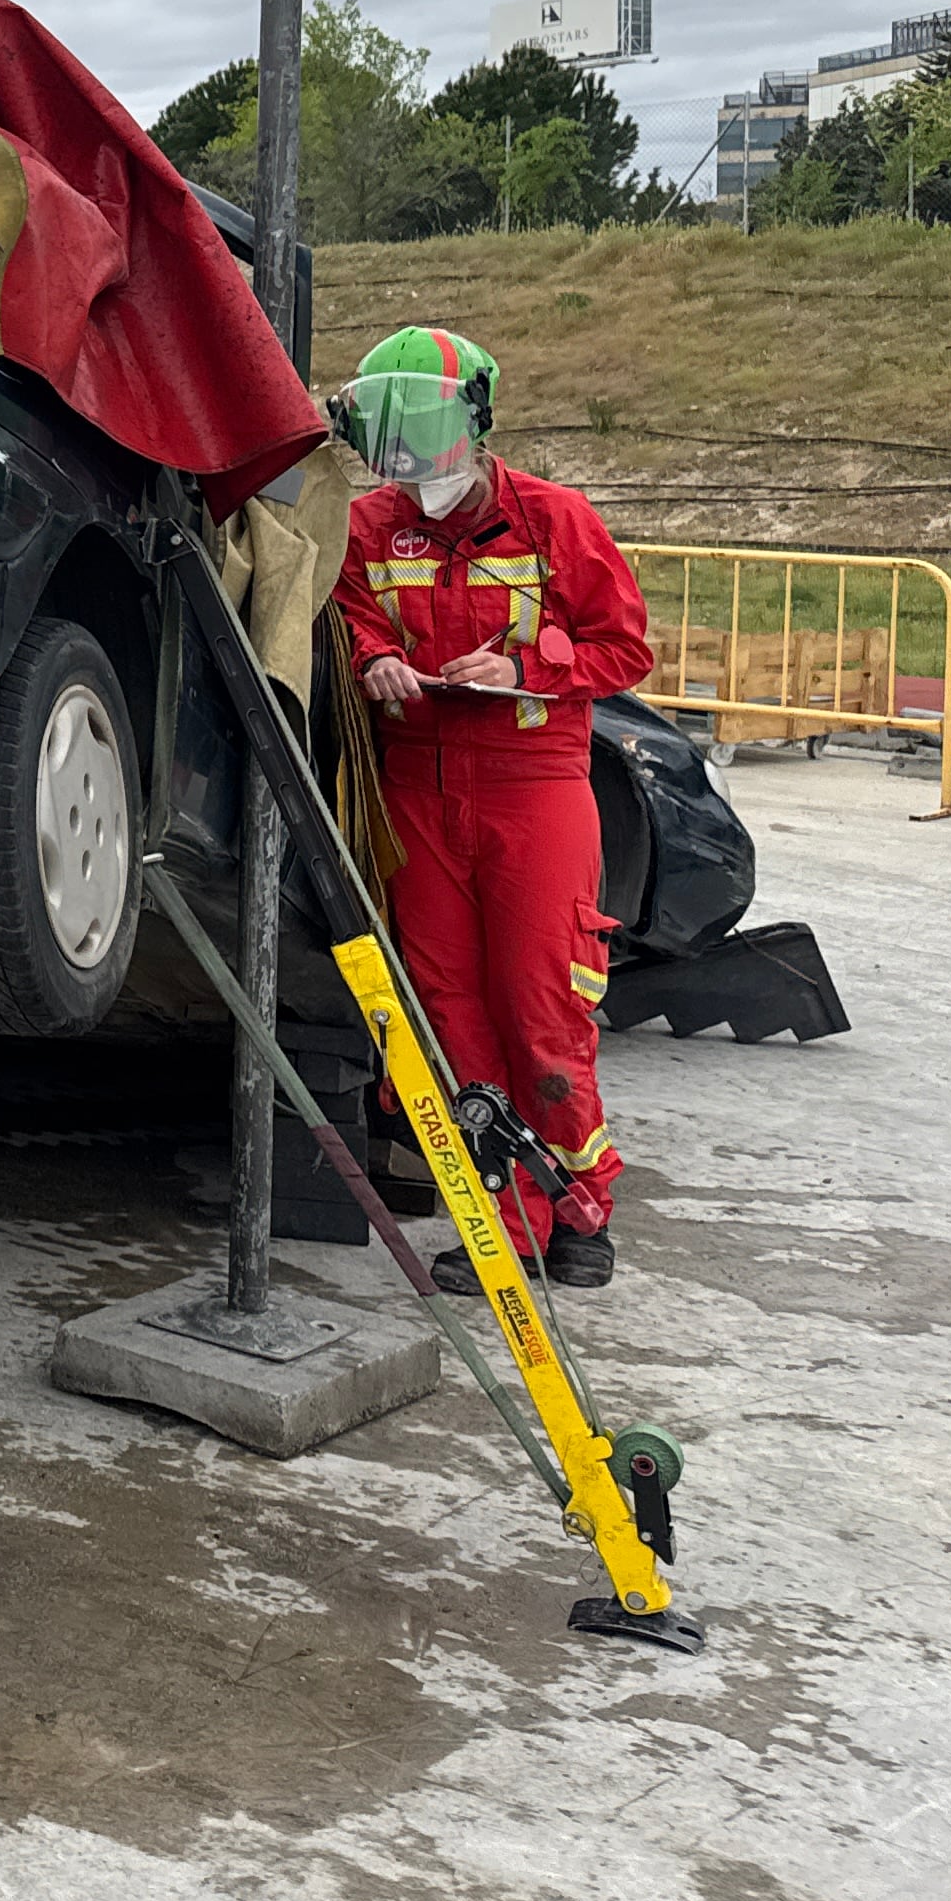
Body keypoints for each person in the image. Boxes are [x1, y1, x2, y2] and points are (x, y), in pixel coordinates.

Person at [329, 327, 656, 1291]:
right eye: (390, 442)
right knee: (450, 1017)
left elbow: (625, 649)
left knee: (544, 1007)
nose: (408, 465)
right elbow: (348, 617)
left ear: (472, 426)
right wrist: (371, 659)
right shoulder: (367, 527)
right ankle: (507, 1226)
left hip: (533, 786)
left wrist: (524, 666)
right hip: (416, 792)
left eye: (422, 438)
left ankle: (582, 1210)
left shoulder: (556, 521)